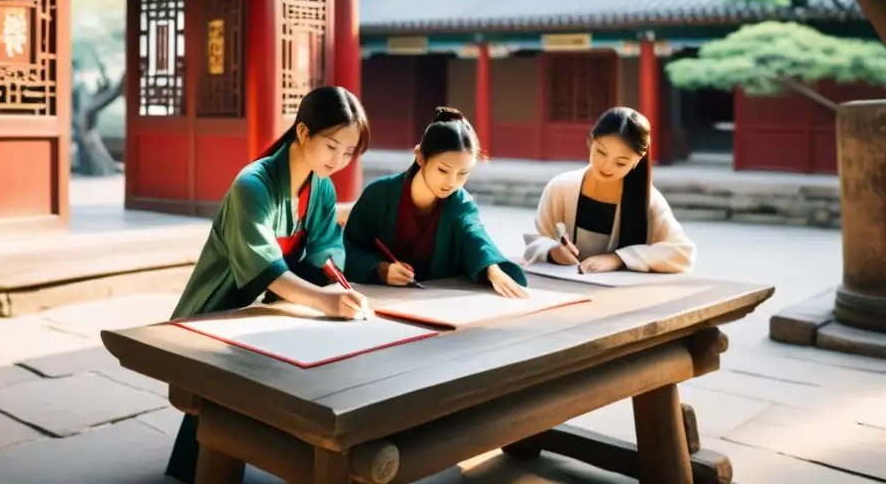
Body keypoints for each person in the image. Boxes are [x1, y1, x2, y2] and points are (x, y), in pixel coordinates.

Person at [165, 85, 371, 483]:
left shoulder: (321, 187)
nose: (339, 160)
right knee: (219, 397)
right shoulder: (252, 185)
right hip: (225, 303)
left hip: (275, 300)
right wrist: (324, 302)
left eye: (349, 152)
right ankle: (199, 468)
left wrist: (336, 281)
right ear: (303, 133)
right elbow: (261, 267)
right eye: (333, 146)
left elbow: (327, 248)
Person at [344, 107, 529, 298]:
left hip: (435, 302)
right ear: (420, 157)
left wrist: (492, 270)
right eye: (443, 170)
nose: (451, 182)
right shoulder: (379, 195)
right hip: (378, 300)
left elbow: (475, 237)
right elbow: (345, 249)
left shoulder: (460, 202)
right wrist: (379, 269)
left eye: (462, 173)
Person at [523, 106, 695, 274]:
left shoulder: (648, 200)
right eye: (601, 152)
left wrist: (619, 258)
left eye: (621, 162)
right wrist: (553, 251)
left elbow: (682, 253)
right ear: (591, 141)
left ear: (637, 161)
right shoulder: (559, 188)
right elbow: (538, 240)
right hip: (564, 289)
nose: (607, 166)